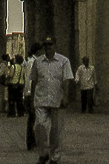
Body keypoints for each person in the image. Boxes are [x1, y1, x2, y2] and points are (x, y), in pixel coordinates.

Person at [25, 33, 77, 163]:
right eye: (46, 45)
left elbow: (66, 80)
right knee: (39, 126)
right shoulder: (38, 62)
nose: (48, 47)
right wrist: (31, 98)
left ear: (55, 45)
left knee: (55, 130)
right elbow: (33, 80)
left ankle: (55, 156)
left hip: (56, 99)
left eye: (50, 44)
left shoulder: (64, 61)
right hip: (41, 98)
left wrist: (64, 97)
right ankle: (43, 153)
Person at [5, 52, 24, 117]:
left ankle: (12, 112)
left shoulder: (13, 66)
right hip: (20, 84)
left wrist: (7, 75)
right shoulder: (22, 67)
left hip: (13, 84)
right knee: (19, 99)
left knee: (12, 99)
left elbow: (11, 75)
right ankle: (20, 112)